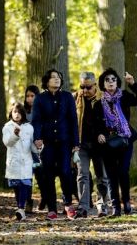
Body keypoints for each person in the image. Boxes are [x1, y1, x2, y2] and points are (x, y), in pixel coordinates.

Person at [94, 68, 137, 216]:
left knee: (123, 171)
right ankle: (116, 207)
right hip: (108, 143)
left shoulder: (124, 97)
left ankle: (127, 201)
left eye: (113, 79)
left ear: (117, 82)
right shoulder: (98, 105)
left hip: (125, 140)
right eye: (107, 80)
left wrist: (133, 83)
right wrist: (99, 134)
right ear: (103, 84)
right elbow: (96, 124)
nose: (111, 82)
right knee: (111, 175)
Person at [31, 69, 80, 220]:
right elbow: (37, 120)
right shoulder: (40, 99)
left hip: (65, 141)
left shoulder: (67, 97)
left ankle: (68, 205)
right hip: (48, 142)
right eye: (53, 77)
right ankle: (52, 209)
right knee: (48, 174)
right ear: (46, 81)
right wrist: (37, 137)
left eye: (58, 77)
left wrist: (75, 143)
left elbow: (73, 120)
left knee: (66, 172)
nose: (56, 79)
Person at [74, 71, 112, 218]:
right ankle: (83, 207)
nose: (85, 90)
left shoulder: (104, 99)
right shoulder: (75, 98)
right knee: (82, 174)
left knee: (101, 176)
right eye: (82, 87)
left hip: (99, 145)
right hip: (82, 144)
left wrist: (105, 134)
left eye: (88, 87)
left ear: (95, 85)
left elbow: (112, 121)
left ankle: (102, 205)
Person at [3, 102, 39, 220]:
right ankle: (20, 207)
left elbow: (33, 147)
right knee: (17, 187)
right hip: (14, 162)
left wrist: (39, 146)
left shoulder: (29, 127)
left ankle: (21, 208)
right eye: (15, 112)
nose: (17, 114)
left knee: (24, 184)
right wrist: (15, 135)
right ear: (11, 113)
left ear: (23, 114)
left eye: (19, 112)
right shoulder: (7, 127)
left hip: (26, 162)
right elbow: (7, 143)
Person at [23, 85, 42, 213]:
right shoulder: (22, 112)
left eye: (32, 96)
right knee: (27, 176)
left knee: (41, 176)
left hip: (39, 148)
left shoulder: (41, 110)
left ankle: (44, 198)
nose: (30, 99)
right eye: (28, 96)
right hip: (25, 150)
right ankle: (27, 202)